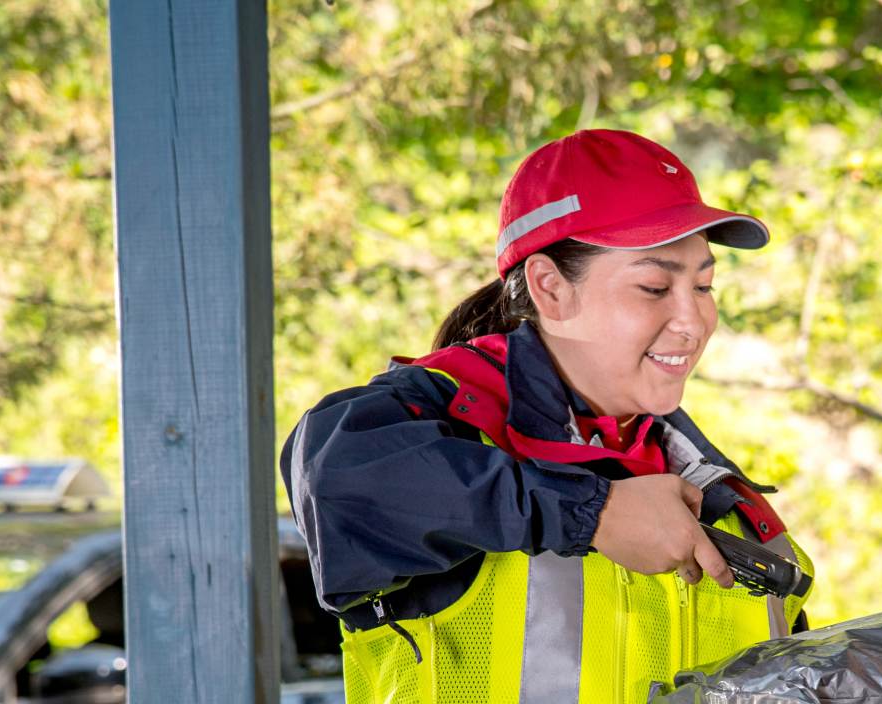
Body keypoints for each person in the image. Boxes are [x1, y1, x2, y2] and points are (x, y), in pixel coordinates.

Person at [281, 129, 815, 703]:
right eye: (655, 286)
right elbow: (335, 477)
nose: (694, 320)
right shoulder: (440, 426)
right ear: (551, 290)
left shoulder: (731, 510)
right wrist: (593, 514)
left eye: (704, 285)